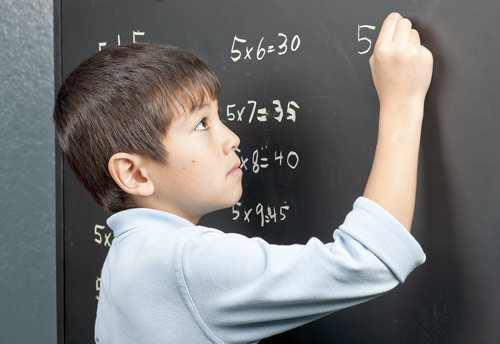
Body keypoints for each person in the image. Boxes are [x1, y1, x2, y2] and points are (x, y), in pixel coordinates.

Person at [53, 12, 433, 344]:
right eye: (202, 124)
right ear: (134, 173)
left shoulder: (129, 260)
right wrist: (403, 101)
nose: (232, 137)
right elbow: (371, 260)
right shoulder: (183, 262)